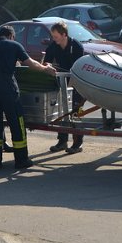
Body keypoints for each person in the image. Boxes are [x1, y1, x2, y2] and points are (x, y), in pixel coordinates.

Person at [0, 25, 56, 170]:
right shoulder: (14, 45)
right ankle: (21, 160)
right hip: (8, 90)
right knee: (17, 124)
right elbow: (30, 63)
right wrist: (46, 69)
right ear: (12, 36)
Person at [43, 21, 86, 154]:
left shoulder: (76, 46)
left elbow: (79, 68)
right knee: (62, 112)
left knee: (76, 112)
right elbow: (45, 62)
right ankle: (62, 141)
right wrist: (47, 67)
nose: (53, 39)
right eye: (53, 36)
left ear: (64, 35)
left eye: (55, 36)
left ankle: (77, 143)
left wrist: (71, 86)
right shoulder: (54, 46)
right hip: (62, 83)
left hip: (77, 83)